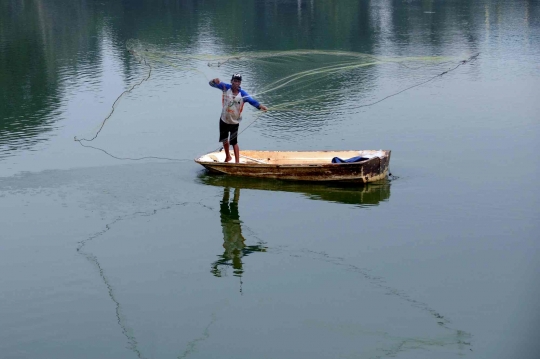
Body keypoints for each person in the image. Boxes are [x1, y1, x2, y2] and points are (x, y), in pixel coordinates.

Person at [209, 74, 267, 163]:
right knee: (224, 139)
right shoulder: (225, 87)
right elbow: (211, 84)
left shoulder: (243, 94)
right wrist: (214, 81)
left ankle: (237, 162)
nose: (236, 83)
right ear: (231, 81)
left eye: (238, 81)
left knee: (234, 142)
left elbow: (252, 101)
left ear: (240, 83)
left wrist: (261, 106)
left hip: (234, 122)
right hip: (224, 119)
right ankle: (228, 156)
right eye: (235, 81)